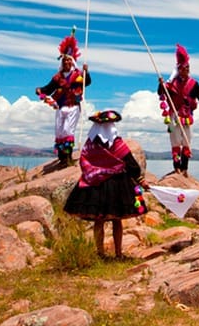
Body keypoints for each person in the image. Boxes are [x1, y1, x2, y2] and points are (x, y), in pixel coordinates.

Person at [63, 110, 148, 257]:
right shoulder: (116, 143)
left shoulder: (90, 144)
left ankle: (100, 252)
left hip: (95, 185)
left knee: (99, 220)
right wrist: (139, 178)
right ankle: (118, 253)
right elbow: (130, 163)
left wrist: (94, 172)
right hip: (117, 185)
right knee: (117, 220)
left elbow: (84, 162)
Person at [156, 44, 199, 176]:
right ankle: (177, 167)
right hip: (174, 116)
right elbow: (161, 92)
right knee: (176, 142)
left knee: (187, 142)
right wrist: (161, 84)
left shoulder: (193, 84)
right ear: (179, 69)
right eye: (184, 68)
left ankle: (185, 168)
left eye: (188, 67)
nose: (187, 70)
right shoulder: (171, 84)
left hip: (187, 116)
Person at [36, 32, 91, 167]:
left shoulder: (78, 75)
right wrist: (40, 90)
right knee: (60, 131)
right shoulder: (58, 77)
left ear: (72, 62)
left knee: (67, 130)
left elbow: (87, 82)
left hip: (73, 106)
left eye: (69, 60)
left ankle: (68, 157)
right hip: (61, 107)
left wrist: (86, 72)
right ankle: (61, 157)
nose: (67, 62)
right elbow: (49, 88)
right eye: (64, 60)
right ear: (62, 62)